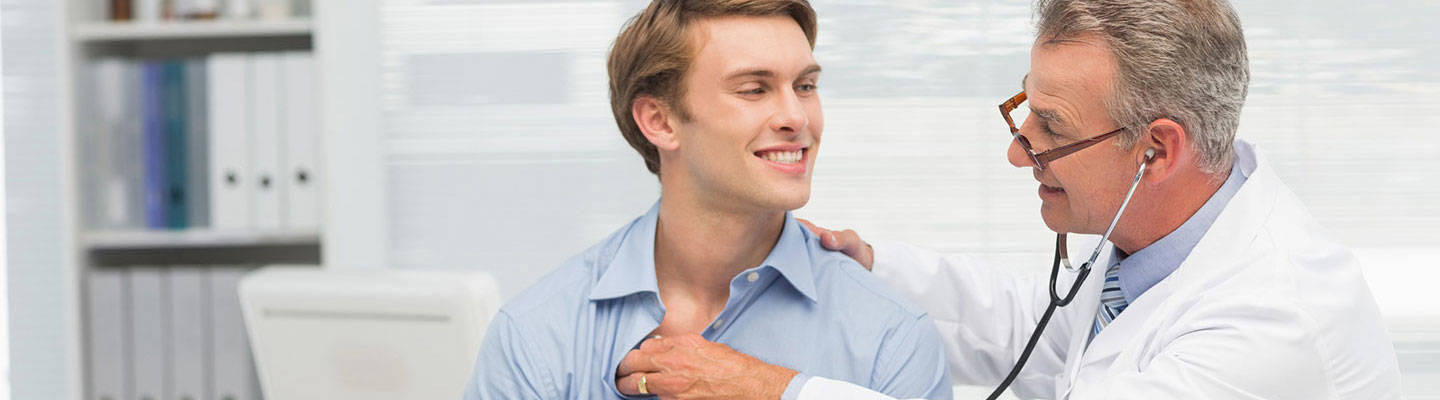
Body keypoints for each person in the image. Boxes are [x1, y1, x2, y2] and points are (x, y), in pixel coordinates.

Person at [615, 0, 1404, 398]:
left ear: (1156, 150)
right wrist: (870, 267)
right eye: (1024, 109)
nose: (1018, 148)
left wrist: (770, 388)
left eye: (1051, 127)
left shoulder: (1268, 326)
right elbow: (1042, 328)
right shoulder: (1164, 242)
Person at [462, 0, 952, 398]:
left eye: (805, 86)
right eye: (754, 89)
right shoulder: (536, 335)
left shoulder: (892, 338)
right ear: (659, 120)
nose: (797, 117)